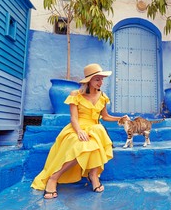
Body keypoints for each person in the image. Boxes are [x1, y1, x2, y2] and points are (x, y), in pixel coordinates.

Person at [31, 63, 128, 199]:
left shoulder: (103, 96)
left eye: (102, 79)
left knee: (97, 138)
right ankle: (54, 177)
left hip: (95, 128)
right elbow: (73, 117)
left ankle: (93, 175)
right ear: (89, 81)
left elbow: (105, 116)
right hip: (77, 128)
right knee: (82, 147)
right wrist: (79, 131)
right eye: (97, 79)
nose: (101, 82)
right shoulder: (75, 95)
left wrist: (121, 118)